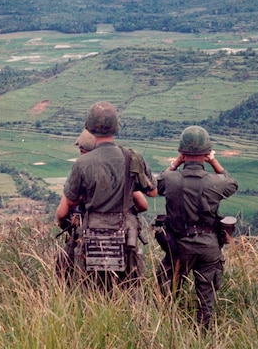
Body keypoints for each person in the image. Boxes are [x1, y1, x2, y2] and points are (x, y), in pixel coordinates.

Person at [56, 102, 157, 288]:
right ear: (116, 127)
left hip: (92, 231)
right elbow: (152, 192)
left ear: (89, 127)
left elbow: (68, 202)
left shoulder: (82, 163)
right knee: (129, 290)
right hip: (125, 233)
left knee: (91, 290)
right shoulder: (132, 157)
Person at [154, 125, 237, 327]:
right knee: (206, 300)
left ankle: (166, 331)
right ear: (206, 153)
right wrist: (214, 161)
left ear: (182, 153)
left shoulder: (170, 179)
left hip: (178, 246)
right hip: (209, 246)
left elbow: (157, 184)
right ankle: (203, 337)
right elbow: (232, 183)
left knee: (166, 297)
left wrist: (175, 163)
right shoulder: (216, 182)